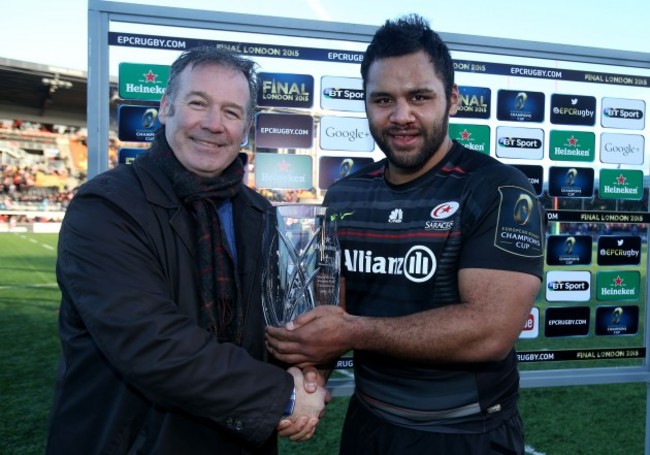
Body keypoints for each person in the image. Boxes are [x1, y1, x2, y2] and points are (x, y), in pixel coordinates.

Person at [266, 14, 544, 455]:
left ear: (451, 100)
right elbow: (329, 314)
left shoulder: (498, 188)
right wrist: (308, 376)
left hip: (466, 436)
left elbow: (490, 331)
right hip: (369, 426)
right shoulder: (343, 196)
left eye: (419, 97)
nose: (401, 116)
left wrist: (352, 333)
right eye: (382, 100)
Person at [46, 47, 328, 455]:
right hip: (128, 442)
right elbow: (151, 344)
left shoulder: (263, 215)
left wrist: (309, 368)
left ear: (246, 127)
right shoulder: (105, 207)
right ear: (165, 108)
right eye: (199, 103)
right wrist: (284, 395)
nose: (214, 124)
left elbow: (282, 327)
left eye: (232, 112)